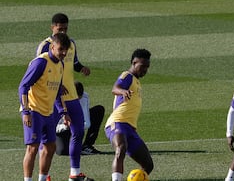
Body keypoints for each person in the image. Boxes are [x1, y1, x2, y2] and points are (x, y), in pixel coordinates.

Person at [36, 13, 93, 181]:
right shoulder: (45, 46)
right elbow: (38, 71)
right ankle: (44, 176)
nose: (63, 32)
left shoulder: (71, 43)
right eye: (60, 29)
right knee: (46, 138)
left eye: (65, 29)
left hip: (72, 96)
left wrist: (82, 68)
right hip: (51, 99)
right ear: (52, 27)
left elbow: (73, 63)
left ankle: (75, 173)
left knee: (78, 131)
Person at [19, 33, 71, 181]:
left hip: (48, 113)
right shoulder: (40, 63)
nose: (63, 53)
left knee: (50, 147)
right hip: (34, 110)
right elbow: (23, 86)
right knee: (33, 148)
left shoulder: (60, 65)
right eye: (61, 49)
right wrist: (26, 111)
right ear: (52, 47)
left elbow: (57, 91)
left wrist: (63, 112)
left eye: (65, 50)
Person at [105, 49, 154, 181]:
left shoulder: (137, 82)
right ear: (134, 62)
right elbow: (115, 88)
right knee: (120, 149)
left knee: (148, 165)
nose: (145, 70)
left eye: (147, 67)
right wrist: (122, 91)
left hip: (130, 129)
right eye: (142, 66)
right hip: (118, 122)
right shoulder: (127, 76)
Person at [56, 81, 105, 156]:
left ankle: (87, 146)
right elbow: (54, 122)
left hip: (74, 123)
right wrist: (66, 126)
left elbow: (87, 122)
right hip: (61, 127)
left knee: (98, 110)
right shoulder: (59, 97)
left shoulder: (84, 97)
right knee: (62, 151)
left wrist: (75, 125)